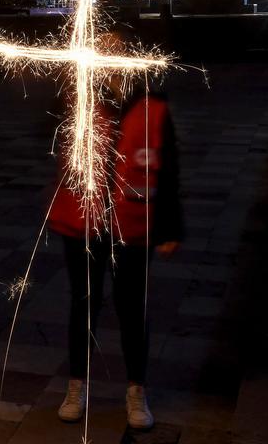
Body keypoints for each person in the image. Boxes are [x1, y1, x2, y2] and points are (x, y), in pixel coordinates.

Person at [52, 37, 181, 431]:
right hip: (83, 224)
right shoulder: (79, 101)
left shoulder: (154, 108)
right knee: (83, 305)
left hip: (132, 226)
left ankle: (136, 390)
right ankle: (77, 386)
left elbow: (170, 169)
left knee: (133, 310)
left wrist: (170, 227)